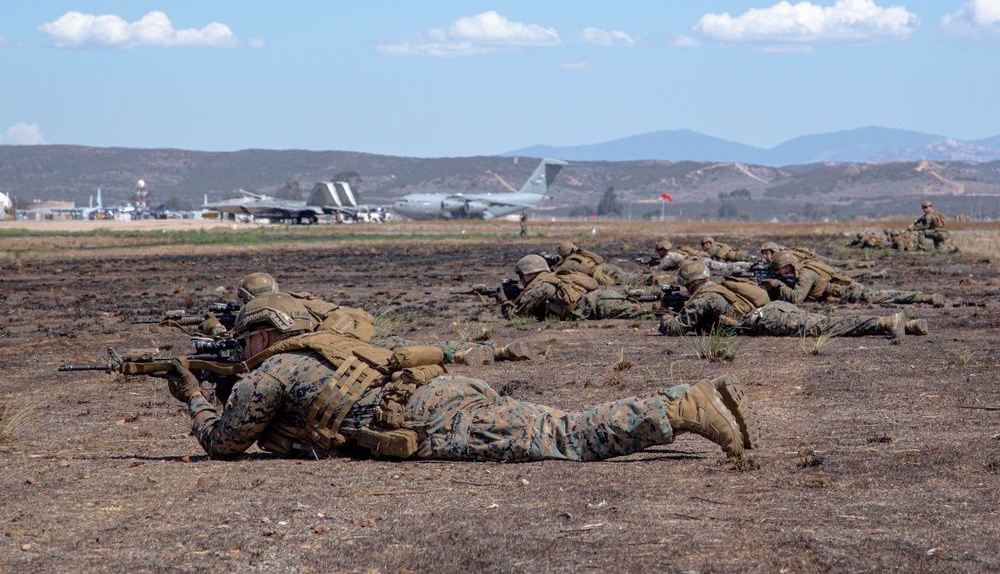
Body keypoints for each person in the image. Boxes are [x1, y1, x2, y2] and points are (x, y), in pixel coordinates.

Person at [165, 292, 760, 461]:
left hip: (426, 416)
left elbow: (223, 444)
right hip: (439, 394)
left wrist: (193, 398)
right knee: (557, 424)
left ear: (264, 336)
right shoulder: (326, 345)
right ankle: (687, 402)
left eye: (247, 340)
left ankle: (681, 406)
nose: (244, 350)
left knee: (567, 437)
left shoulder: (268, 372)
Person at [229, 273, 527, 367]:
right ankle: (488, 351)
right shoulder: (298, 297)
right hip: (361, 331)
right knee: (414, 344)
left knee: (402, 356)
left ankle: (468, 354)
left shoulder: (262, 314)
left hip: (341, 347)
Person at [658, 260, 927, 339]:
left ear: (690, 284)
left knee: (826, 327)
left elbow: (677, 328)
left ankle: (884, 322)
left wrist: (664, 315)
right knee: (824, 321)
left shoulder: (703, 298)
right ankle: (909, 324)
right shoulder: (719, 286)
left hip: (769, 318)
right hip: (775, 309)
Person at [497, 254, 656, 321]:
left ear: (530, 273)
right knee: (637, 310)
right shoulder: (550, 279)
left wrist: (503, 301)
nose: (520, 280)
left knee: (645, 315)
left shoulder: (541, 287)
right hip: (599, 298)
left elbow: (516, 317)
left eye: (521, 275)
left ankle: (667, 312)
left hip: (597, 305)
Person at [765, 251, 944, 307]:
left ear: (787, 267)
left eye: (779, 271)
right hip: (838, 294)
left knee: (881, 296)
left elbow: (796, 298)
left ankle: (923, 297)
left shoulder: (806, 274)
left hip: (849, 291)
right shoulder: (799, 269)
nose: (778, 274)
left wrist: (779, 285)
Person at [552, 242, 633, 286]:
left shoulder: (569, 262)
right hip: (606, 267)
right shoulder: (579, 254)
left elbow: (555, 273)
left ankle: (645, 279)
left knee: (630, 280)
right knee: (629, 277)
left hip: (603, 274)